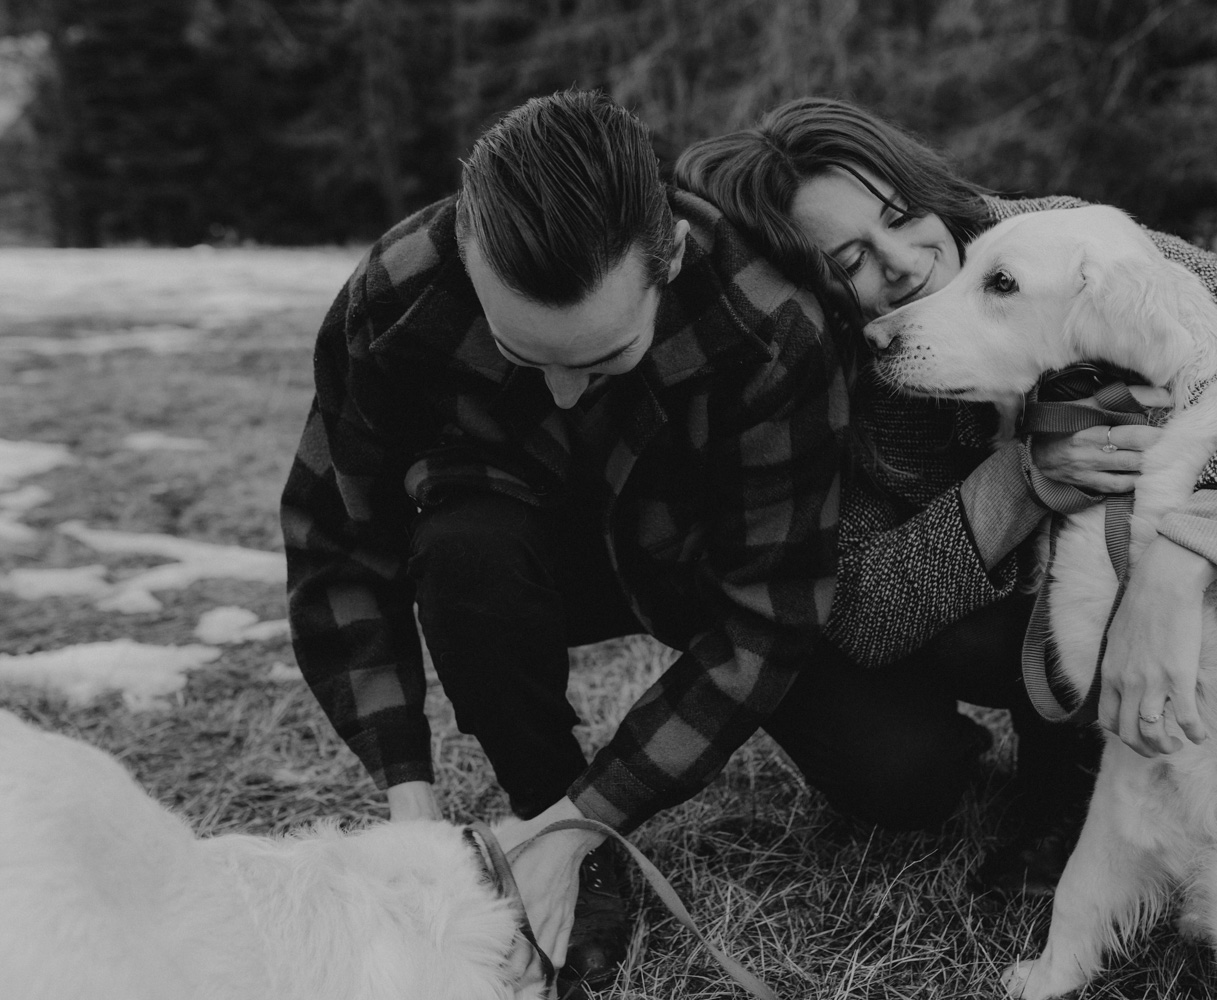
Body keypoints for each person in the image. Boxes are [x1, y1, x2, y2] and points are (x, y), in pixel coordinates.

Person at [673, 96, 1217, 887]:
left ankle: (1103, 784)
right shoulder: (813, 372)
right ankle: (1052, 772)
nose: (902, 259)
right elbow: (861, 610)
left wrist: (1185, 560)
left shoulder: (1058, 241)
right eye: (849, 260)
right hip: (982, 622)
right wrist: (1021, 482)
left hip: (1173, 583)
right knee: (897, 777)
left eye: (900, 213)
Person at [279, 90, 849, 991]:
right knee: (465, 554)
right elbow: (338, 546)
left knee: (904, 780)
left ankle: (568, 826)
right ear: (468, 255)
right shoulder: (394, 298)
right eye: (524, 353)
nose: (567, 394)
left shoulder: (769, 328)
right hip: (513, 549)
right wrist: (410, 801)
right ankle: (547, 808)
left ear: (671, 258)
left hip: (695, 564)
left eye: (603, 358)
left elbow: (769, 615)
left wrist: (603, 803)